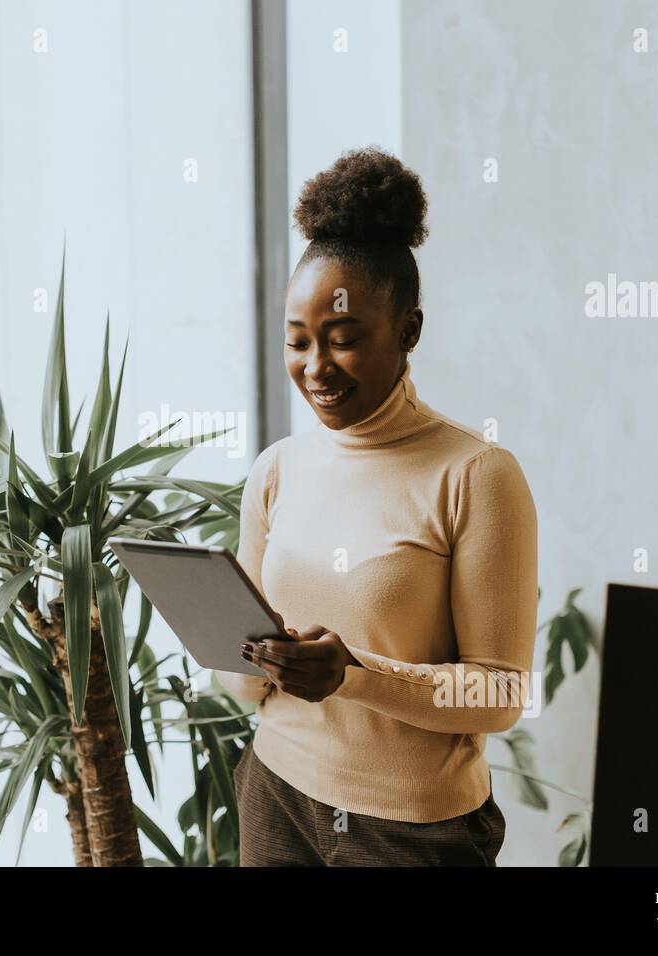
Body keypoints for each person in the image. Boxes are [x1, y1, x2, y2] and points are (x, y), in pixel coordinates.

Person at [215, 146, 538, 867]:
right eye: (297, 343)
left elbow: (500, 694)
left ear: (409, 330)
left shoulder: (477, 475)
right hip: (275, 792)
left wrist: (353, 675)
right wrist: (236, 645)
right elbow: (239, 685)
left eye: (345, 339)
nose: (316, 368)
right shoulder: (278, 469)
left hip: (410, 831)